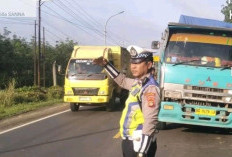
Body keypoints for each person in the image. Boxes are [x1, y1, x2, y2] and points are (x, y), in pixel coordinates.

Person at [93, 45, 160, 157]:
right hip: (131, 141)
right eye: (132, 63)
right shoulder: (139, 83)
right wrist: (106, 65)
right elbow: (122, 81)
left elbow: (150, 121)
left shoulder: (150, 88)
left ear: (148, 65)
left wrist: (142, 152)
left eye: (138, 63)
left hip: (139, 143)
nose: (133, 66)